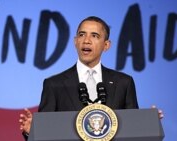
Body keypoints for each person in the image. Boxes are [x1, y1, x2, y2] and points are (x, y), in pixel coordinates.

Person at [19, 16, 163, 139]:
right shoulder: (54, 84)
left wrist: (149, 124)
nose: (86, 40)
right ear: (75, 41)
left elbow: (132, 131)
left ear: (106, 45)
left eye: (94, 35)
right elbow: (46, 134)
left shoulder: (123, 82)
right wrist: (31, 133)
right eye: (82, 35)